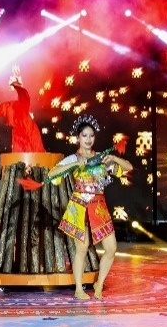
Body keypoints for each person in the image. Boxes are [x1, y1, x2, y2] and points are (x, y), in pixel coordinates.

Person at [48, 114, 133, 301]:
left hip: (99, 208)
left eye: (91, 136)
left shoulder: (101, 158)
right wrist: (74, 164)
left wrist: (113, 159)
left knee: (111, 248)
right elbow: (52, 174)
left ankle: (99, 284)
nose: (88, 139)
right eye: (84, 135)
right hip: (79, 207)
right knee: (82, 248)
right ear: (78, 138)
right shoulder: (73, 158)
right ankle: (79, 289)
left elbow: (128, 168)